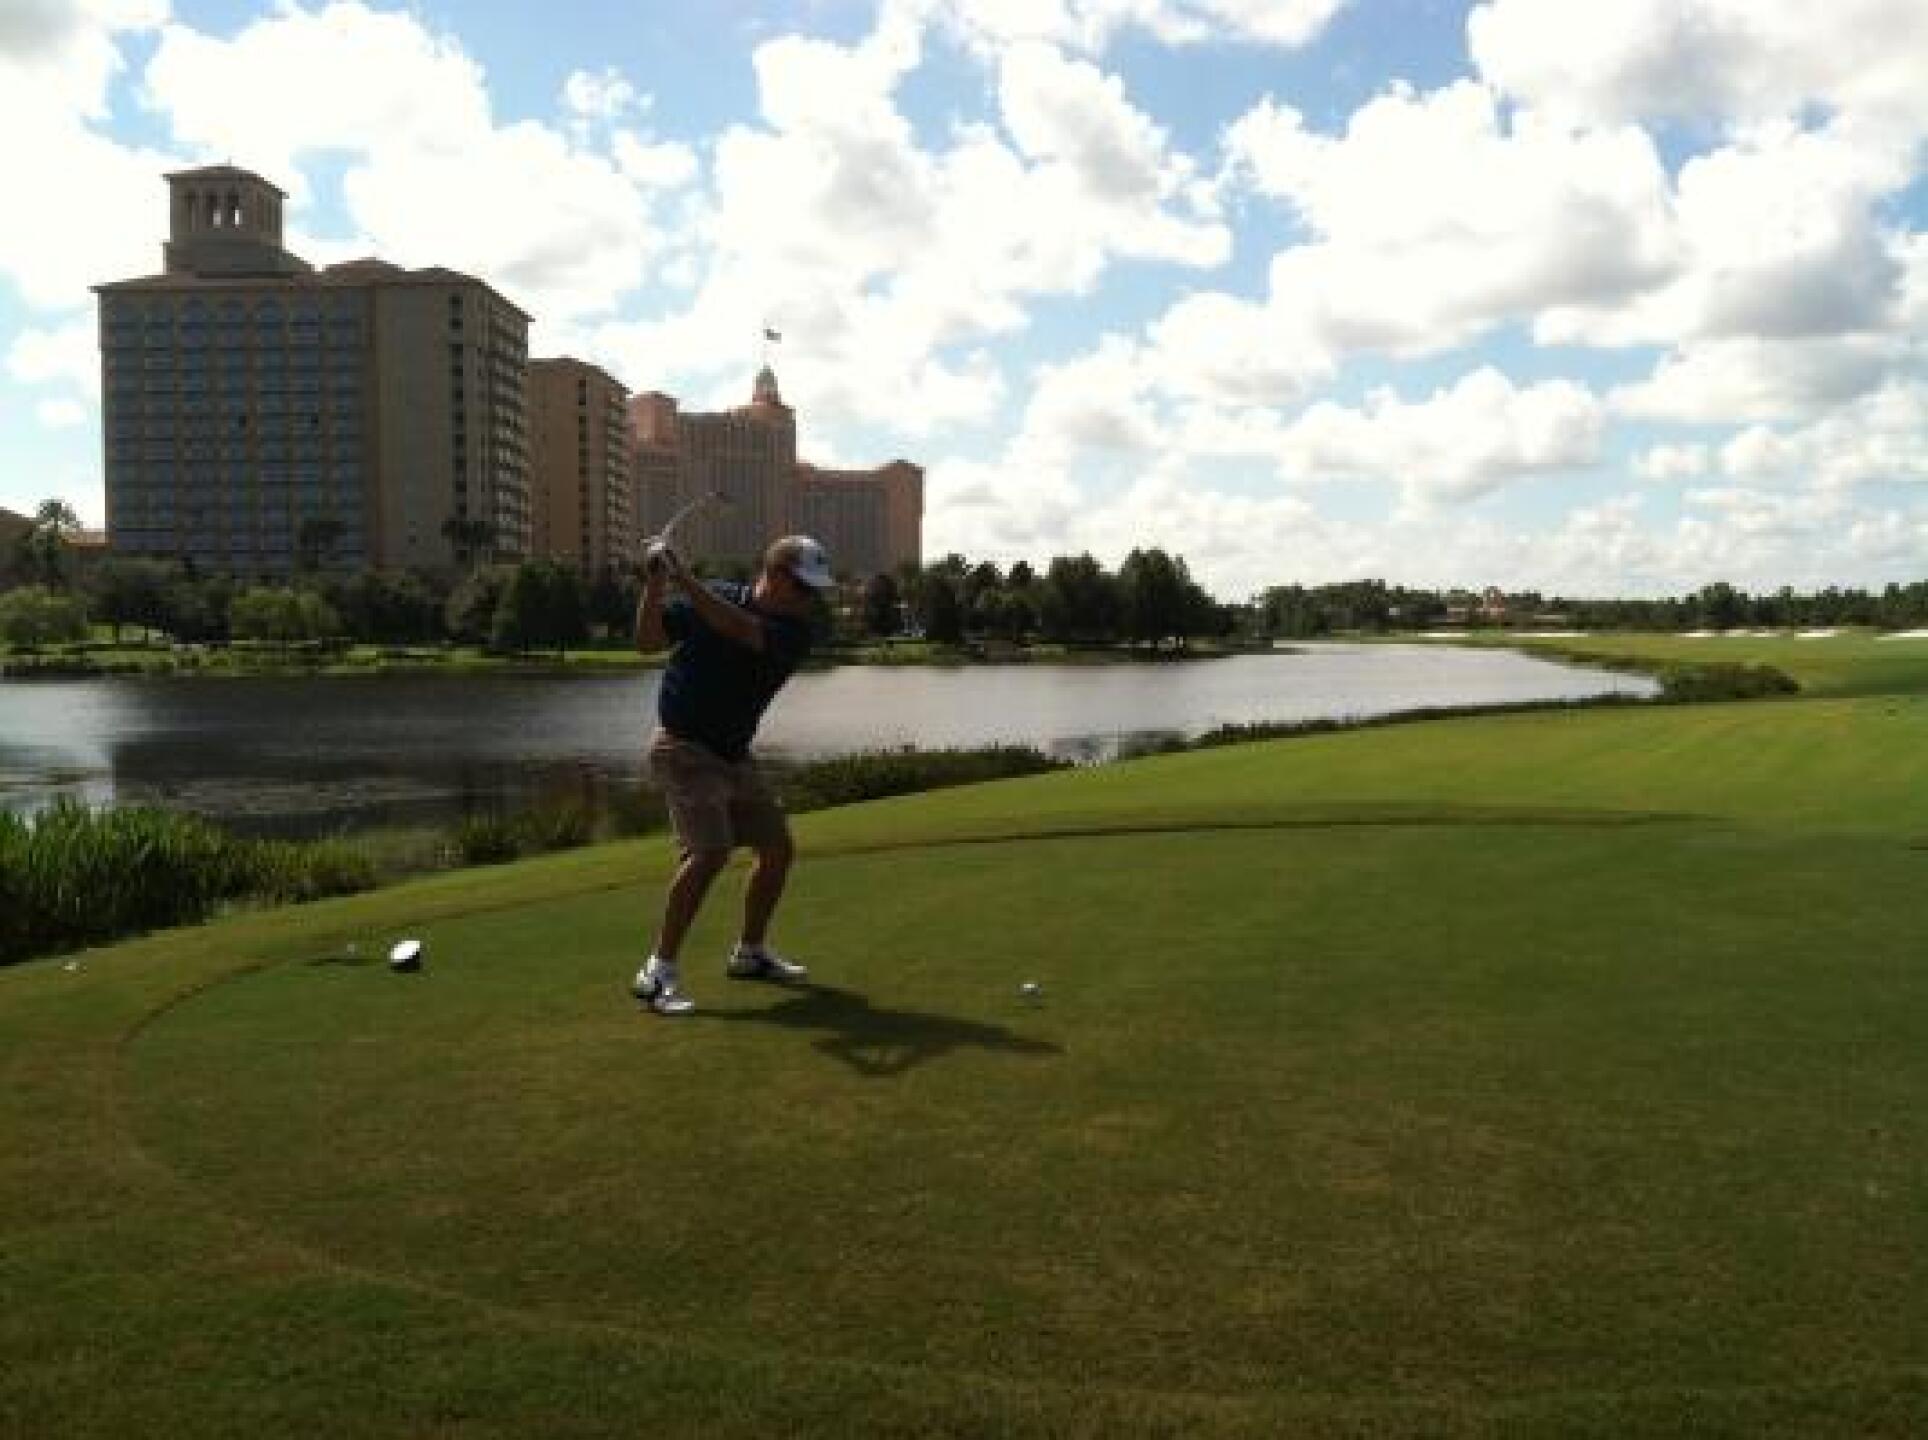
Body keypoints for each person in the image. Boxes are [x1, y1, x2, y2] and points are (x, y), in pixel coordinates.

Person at [630, 534, 835, 1015]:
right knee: (710, 852)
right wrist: (655, 584)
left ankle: (750, 953)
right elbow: (647, 642)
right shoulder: (717, 595)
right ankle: (657, 972)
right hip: (682, 748)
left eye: (815, 590)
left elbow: (740, 628)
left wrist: (682, 577)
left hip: (733, 756)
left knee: (777, 849)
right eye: (804, 587)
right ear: (775, 574)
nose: (810, 598)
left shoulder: (793, 632)